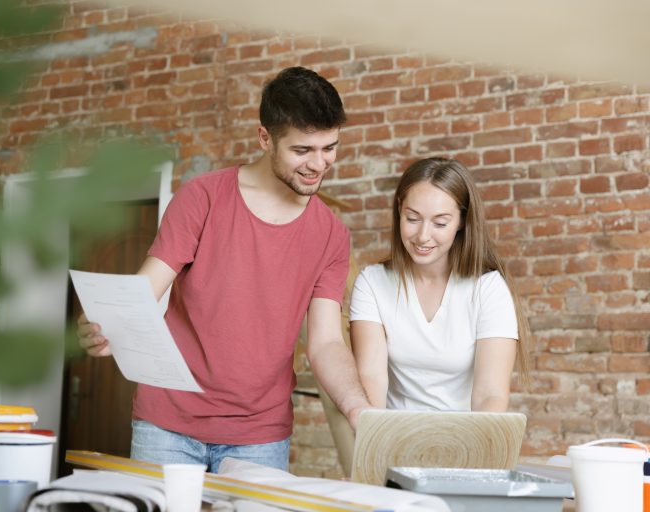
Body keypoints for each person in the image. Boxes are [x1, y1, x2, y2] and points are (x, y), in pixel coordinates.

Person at [77, 66, 372, 473]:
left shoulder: (331, 235)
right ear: (264, 137)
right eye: (302, 150)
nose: (318, 164)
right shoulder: (203, 197)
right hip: (168, 424)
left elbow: (325, 343)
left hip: (260, 435)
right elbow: (147, 290)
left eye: (329, 148)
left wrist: (358, 406)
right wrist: (103, 322)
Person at [350, 157, 531, 413]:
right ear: (399, 210)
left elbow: (490, 395)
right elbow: (371, 382)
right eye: (412, 219)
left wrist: (473, 449)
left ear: (462, 222)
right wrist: (375, 442)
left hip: (464, 440)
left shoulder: (488, 288)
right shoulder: (373, 283)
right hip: (395, 439)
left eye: (440, 223)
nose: (423, 236)